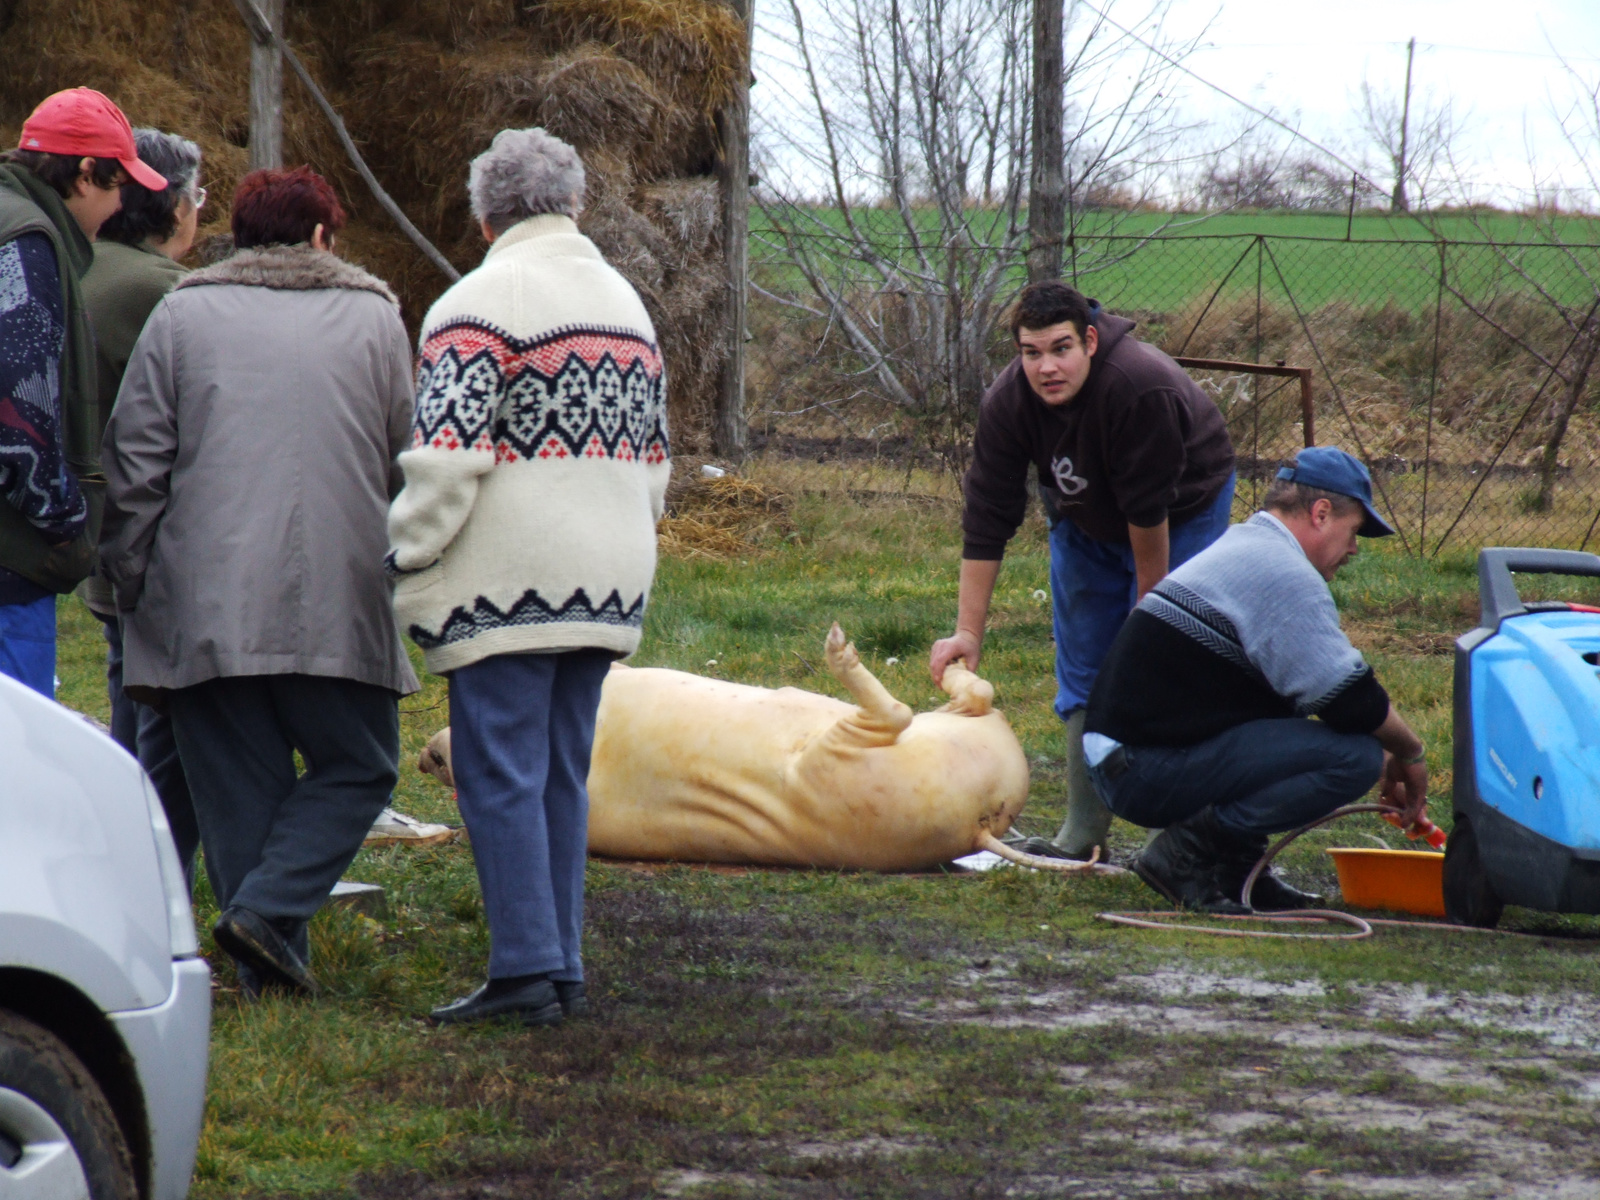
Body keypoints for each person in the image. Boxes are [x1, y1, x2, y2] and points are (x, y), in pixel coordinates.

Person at [99, 165, 419, 996]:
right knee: (361, 765)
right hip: (339, 600)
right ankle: (270, 920)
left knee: (243, 792)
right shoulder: (376, 317)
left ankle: (265, 969)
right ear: (322, 236)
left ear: (233, 237)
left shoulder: (181, 313)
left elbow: (135, 464)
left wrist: (127, 583)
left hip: (204, 604)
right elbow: (403, 460)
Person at [387, 128, 670, 1027]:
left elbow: (444, 457)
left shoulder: (476, 302)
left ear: (483, 217)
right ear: (574, 204)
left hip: (507, 581)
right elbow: (656, 456)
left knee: (498, 770)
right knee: (559, 772)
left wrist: (406, 551)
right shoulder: (627, 303)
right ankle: (560, 965)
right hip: (609, 575)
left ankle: (521, 973)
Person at [929, 281, 1236, 862]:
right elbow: (987, 516)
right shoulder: (1008, 402)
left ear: (1090, 341)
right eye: (1031, 352)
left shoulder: (1139, 387)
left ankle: (1171, 835)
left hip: (1182, 508)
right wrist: (968, 631)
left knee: (1171, 661)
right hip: (1083, 514)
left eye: (1061, 349)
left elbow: (1148, 513)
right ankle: (1083, 830)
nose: (1046, 367)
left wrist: (1152, 619)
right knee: (1085, 660)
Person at [1083, 446, 1429, 913]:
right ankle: (1182, 856)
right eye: (1353, 533)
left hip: (1127, 759)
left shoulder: (1246, 545)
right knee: (1354, 758)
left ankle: (1239, 870)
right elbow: (1350, 700)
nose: (1353, 550)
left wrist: (1390, 740)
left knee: (1293, 718)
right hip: (1142, 769)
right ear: (1321, 513)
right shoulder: (1281, 571)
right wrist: (1409, 751)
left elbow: (1316, 694)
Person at [0, 88, 166, 695]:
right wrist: (62, 513)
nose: (121, 205)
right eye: (120, 186)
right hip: (8, 567)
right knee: (13, 761)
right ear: (87, 172)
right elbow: (16, 390)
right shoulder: (27, 239)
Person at [79, 127, 201, 879]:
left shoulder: (82, 265)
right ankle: (151, 890)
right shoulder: (165, 294)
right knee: (165, 735)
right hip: (148, 541)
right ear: (173, 205)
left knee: (130, 707)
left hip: (95, 537)